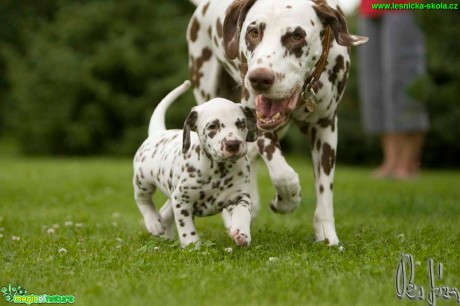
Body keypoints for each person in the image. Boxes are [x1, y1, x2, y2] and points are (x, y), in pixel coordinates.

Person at [357, 0, 430, 179]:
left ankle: (408, 163)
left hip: (405, 5)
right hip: (369, 8)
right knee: (375, 86)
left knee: (405, 79)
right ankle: (390, 161)